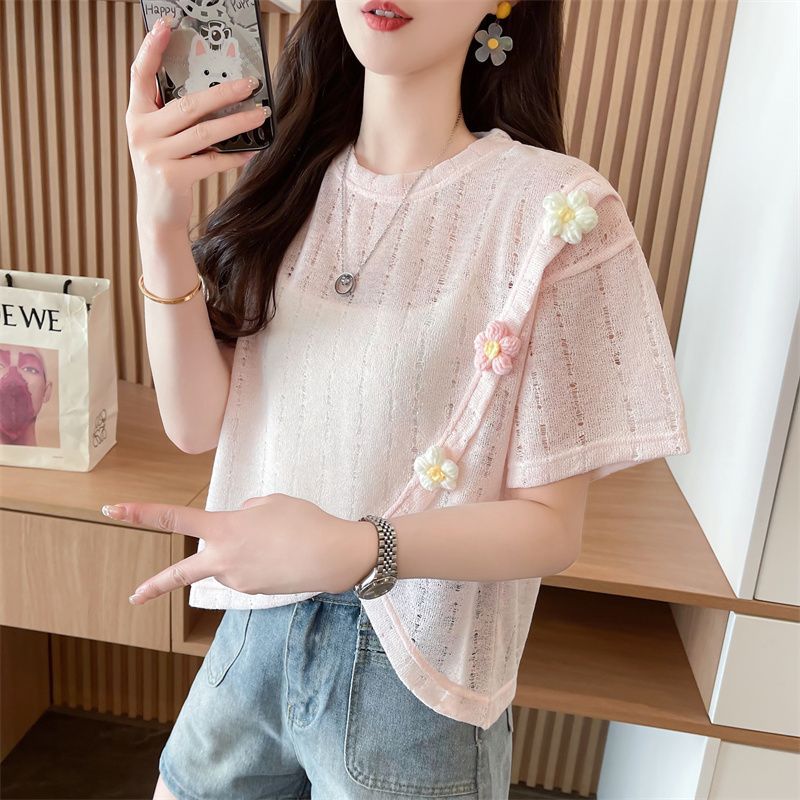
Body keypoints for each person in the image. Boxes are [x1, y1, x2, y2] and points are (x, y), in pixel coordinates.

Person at [122, 1, 690, 798]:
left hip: (416, 693)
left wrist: (358, 548)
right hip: (249, 648)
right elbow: (194, 424)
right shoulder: (287, 180)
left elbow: (550, 527)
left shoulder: (558, 212)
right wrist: (159, 222)